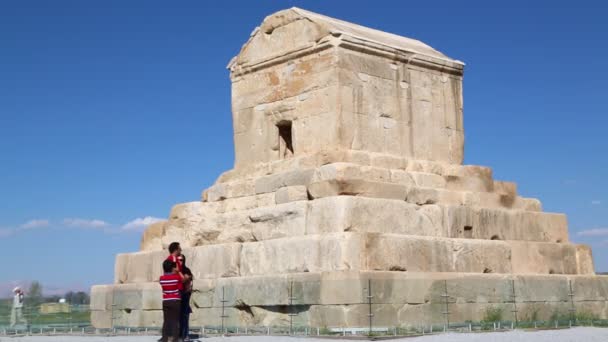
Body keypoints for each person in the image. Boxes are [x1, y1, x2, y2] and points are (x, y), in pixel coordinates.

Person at [159, 260, 183, 342]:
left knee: (166, 321)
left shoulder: (161, 279)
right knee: (175, 321)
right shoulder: (176, 277)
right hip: (176, 300)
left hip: (166, 301)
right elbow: (181, 286)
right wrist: (178, 271)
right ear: (172, 268)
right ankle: (175, 339)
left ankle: (164, 338)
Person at [179, 255, 193, 341]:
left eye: (182, 260)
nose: (180, 261)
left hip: (185, 295)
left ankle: (185, 335)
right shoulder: (175, 270)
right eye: (179, 260)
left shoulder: (186, 270)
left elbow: (190, 281)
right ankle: (180, 335)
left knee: (185, 316)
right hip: (176, 295)